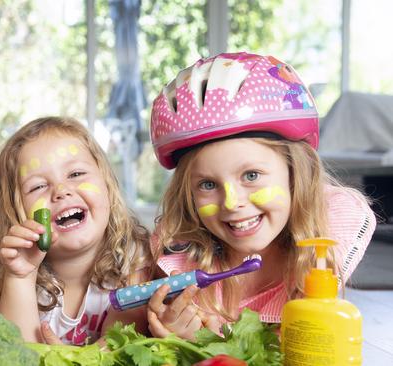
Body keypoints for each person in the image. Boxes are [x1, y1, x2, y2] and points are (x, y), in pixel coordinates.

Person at [146, 52, 376, 341]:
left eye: (251, 176)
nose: (232, 202)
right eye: (207, 184)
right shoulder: (183, 252)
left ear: (295, 172)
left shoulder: (330, 222)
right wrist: (183, 336)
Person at [0, 116, 152, 345]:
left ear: (107, 186)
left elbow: (116, 350)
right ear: (14, 212)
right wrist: (20, 277)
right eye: (38, 186)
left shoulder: (136, 261)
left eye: (76, 174)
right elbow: (16, 354)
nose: (61, 191)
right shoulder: (13, 278)